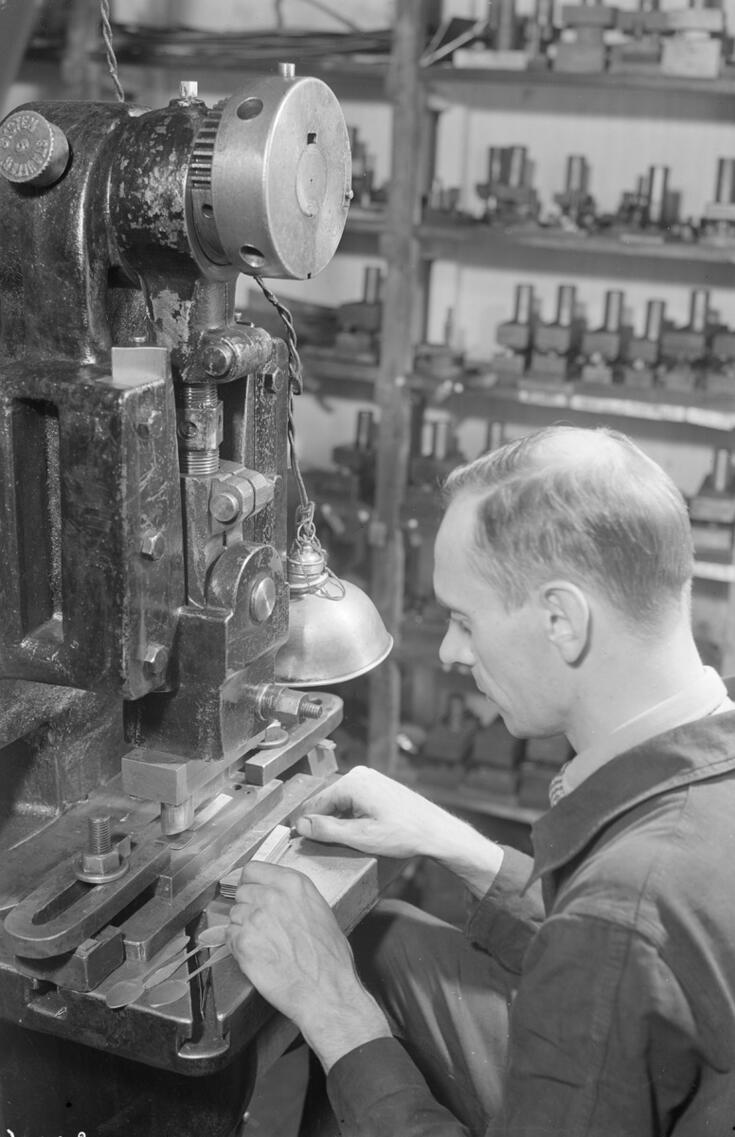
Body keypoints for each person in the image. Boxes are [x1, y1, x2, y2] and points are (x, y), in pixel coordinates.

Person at [227, 424, 735, 1136]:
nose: (449, 650)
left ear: (561, 619)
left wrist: (333, 1010)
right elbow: (628, 966)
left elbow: (615, 940)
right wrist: (454, 844)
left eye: (464, 620)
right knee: (385, 940)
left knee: (344, 988)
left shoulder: (623, 908)